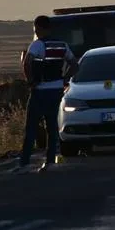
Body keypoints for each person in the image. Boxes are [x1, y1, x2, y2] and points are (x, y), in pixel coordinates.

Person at [13, 16, 77, 173]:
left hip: (40, 90)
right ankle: (50, 161)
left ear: (38, 28)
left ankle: (25, 163)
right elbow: (74, 64)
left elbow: (27, 63)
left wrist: (31, 81)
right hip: (56, 90)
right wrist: (65, 79)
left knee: (31, 127)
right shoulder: (62, 45)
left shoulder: (37, 45)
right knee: (52, 127)